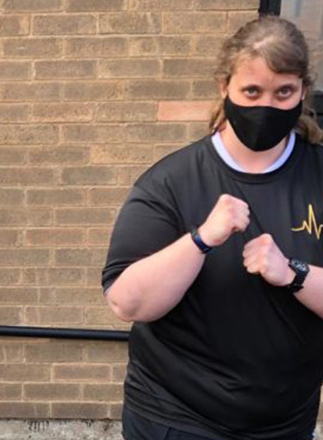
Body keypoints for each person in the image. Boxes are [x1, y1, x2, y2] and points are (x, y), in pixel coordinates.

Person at [102, 15, 323, 440]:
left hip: (284, 422)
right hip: (176, 418)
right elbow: (127, 304)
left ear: (302, 92)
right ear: (225, 87)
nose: (267, 106)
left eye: (284, 93)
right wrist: (201, 239)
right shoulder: (172, 182)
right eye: (252, 91)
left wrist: (293, 273)